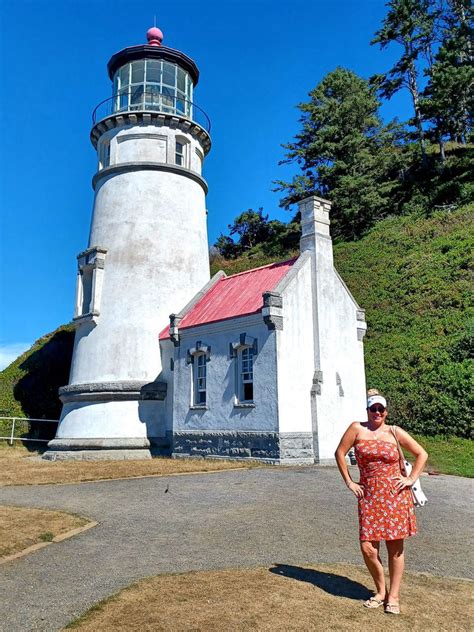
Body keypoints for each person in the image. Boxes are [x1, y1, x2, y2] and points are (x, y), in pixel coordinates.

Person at [335, 390, 428, 615]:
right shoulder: (357, 428)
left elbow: (421, 454)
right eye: (373, 408)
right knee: (368, 547)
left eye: (381, 409)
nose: (377, 412)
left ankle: (393, 596)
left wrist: (410, 479)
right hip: (368, 495)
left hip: (395, 495)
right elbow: (340, 452)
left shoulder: (394, 432)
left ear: (386, 412)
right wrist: (349, 482)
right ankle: (380, 591)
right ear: (367, 410)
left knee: (395, 547)